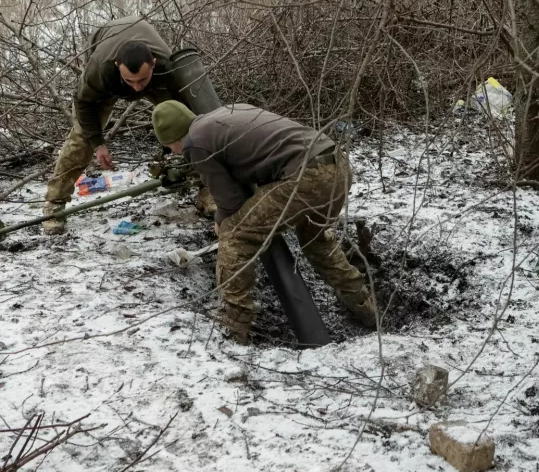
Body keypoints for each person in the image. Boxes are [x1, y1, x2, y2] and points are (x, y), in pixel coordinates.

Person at [151, 100, 376, 342]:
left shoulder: (195, 143)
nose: (174, 153)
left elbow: (229, 200)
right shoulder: (227, 112)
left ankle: (236, 326)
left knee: (235, 234)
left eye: (170, 148)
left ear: (171, 139)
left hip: (305, 178)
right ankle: (366, 309)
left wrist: (221, 220)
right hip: (337, 167)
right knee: (316, 242)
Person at [43, 17, 195, 234]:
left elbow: (192, 117)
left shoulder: (167, 67)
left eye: (141, 81)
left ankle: (205, 186)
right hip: (106, 52)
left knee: (186, 125)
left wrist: (171, 145)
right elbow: (83, 102)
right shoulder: (101, 69)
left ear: (152, 64)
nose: (136, 88)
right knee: (82, 138)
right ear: (117, 67)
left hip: (157, 79)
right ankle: (54, 205)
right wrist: (98, 144)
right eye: (130, 81)